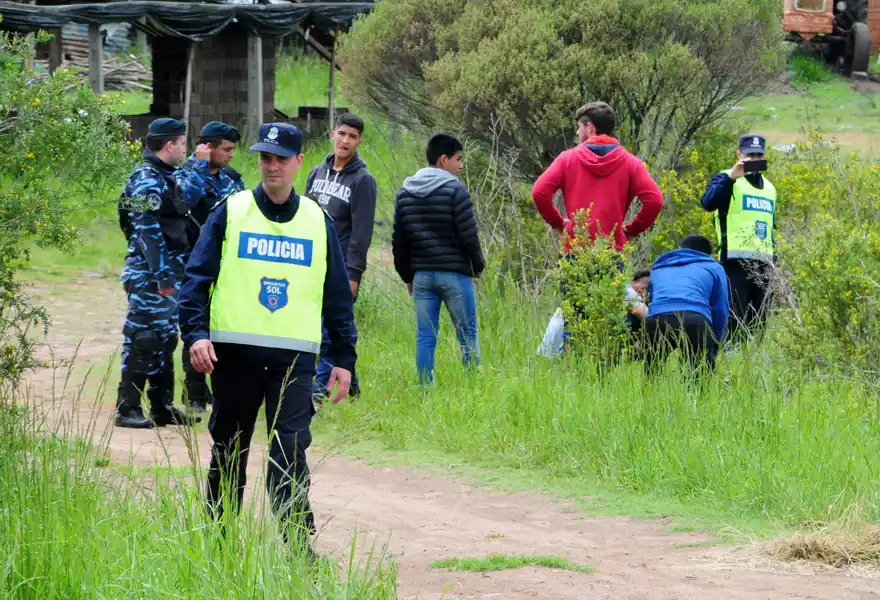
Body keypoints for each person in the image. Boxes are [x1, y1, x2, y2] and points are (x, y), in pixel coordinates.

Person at [178, 122, 356, 554]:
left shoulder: (317, 220)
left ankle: (297, 547)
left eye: (280, 158)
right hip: (234, 357)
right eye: (264, 157)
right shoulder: (232, 210)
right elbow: (196, 280)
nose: (271, 165)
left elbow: (336, 297)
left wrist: (345, 359)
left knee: (290, 450)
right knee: (228, 449)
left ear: (299, 162)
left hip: (294, 359)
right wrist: (196, 335)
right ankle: (216, 543)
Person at [114, 118, 211, 429]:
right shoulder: (145, 179)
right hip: (150, 276)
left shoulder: (165, 175)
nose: (184, 149)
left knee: (166, 338)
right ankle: (127, 408)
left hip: (167, 272)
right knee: (144, 338)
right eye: (182, 144)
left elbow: (186, 199)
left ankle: (161, 406)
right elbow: (145, 233)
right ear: (170, 145)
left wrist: (197, 163)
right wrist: (163, 278)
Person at [392, 133, 485, 386]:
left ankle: (425, 389)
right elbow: (469, 236)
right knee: (467, 335)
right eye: (458, 159)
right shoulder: (456, 190)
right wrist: (477, 267)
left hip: (422, 276)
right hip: (455, 274)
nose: (461, 165)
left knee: (425, 337)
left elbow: (399, 242)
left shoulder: (405, 192)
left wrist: (407, 276)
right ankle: (474, 389)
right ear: (443, 160)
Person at [305, 113, 377, 402]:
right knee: (338, 327)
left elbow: (362, 232)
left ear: (359, 141)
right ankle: (353, 388)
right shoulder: (316, 172)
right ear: (332, 133)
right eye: (342, 134)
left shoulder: (363, 180)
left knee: (331, 326)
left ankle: (319, 390)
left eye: (353, 137)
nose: (346, 141)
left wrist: (353, 273)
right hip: (313, 263)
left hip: (340, 267)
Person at [531, 101, 664, 254]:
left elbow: (539, 192)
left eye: (579, 127)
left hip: (576, 249)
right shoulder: (631, 163)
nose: (577, 133)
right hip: (611, 250)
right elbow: (655, 201)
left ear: (590, 128)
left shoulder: (567, 159)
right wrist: (631, 231)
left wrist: (559, 224)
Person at [179, 121, 246, 413]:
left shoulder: (233, 179)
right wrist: (199, 165)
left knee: (221, 325)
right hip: (192, 261)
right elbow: (183, 203)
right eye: (227, 149)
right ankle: (193, 393)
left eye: (233, 149)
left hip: (227, 263)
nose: (231, 154)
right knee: (195, 326)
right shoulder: (186, 175)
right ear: (209, 147)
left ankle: (217, 390)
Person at [700, 133, 777, 343]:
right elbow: (707, 203)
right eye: (748, 155)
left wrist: (775, 264)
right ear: (738, 154)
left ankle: (751, 367)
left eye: (757, 155)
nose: (753, 160)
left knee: (758, 324)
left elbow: (771, 228)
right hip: (734, 263)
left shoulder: (770, 189)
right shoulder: (726, 178)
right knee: (734, 320)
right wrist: (730, 178)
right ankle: (731, 364)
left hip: (764, 265)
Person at [643, 234, 729, 372]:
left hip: (658, 319)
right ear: (706, 254)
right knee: (697, 378)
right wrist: (716, 340)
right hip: (695, 318)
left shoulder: (659, 267)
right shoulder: (713, 266)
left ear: (680, 249)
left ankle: (647, 390)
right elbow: (720, 308)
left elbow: (652, 299)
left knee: (652, 371)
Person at [536, 270, 650, 359]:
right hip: (562, 344)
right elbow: (649, 317)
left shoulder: (617, 284)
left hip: (553, 341)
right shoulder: (628, 292)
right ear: (642, 289)